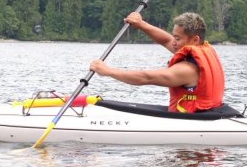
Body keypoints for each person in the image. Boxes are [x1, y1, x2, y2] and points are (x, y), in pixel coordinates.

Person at [90, 12, 225, 113]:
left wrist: (107, 71)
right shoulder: (203, 49)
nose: (173, 42)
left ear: (195, 40)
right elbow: (166, 40)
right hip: (207, 113)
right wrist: (141, 24)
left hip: (192, 120)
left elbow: (146, 77)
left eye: (177, 38)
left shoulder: (188, 70)